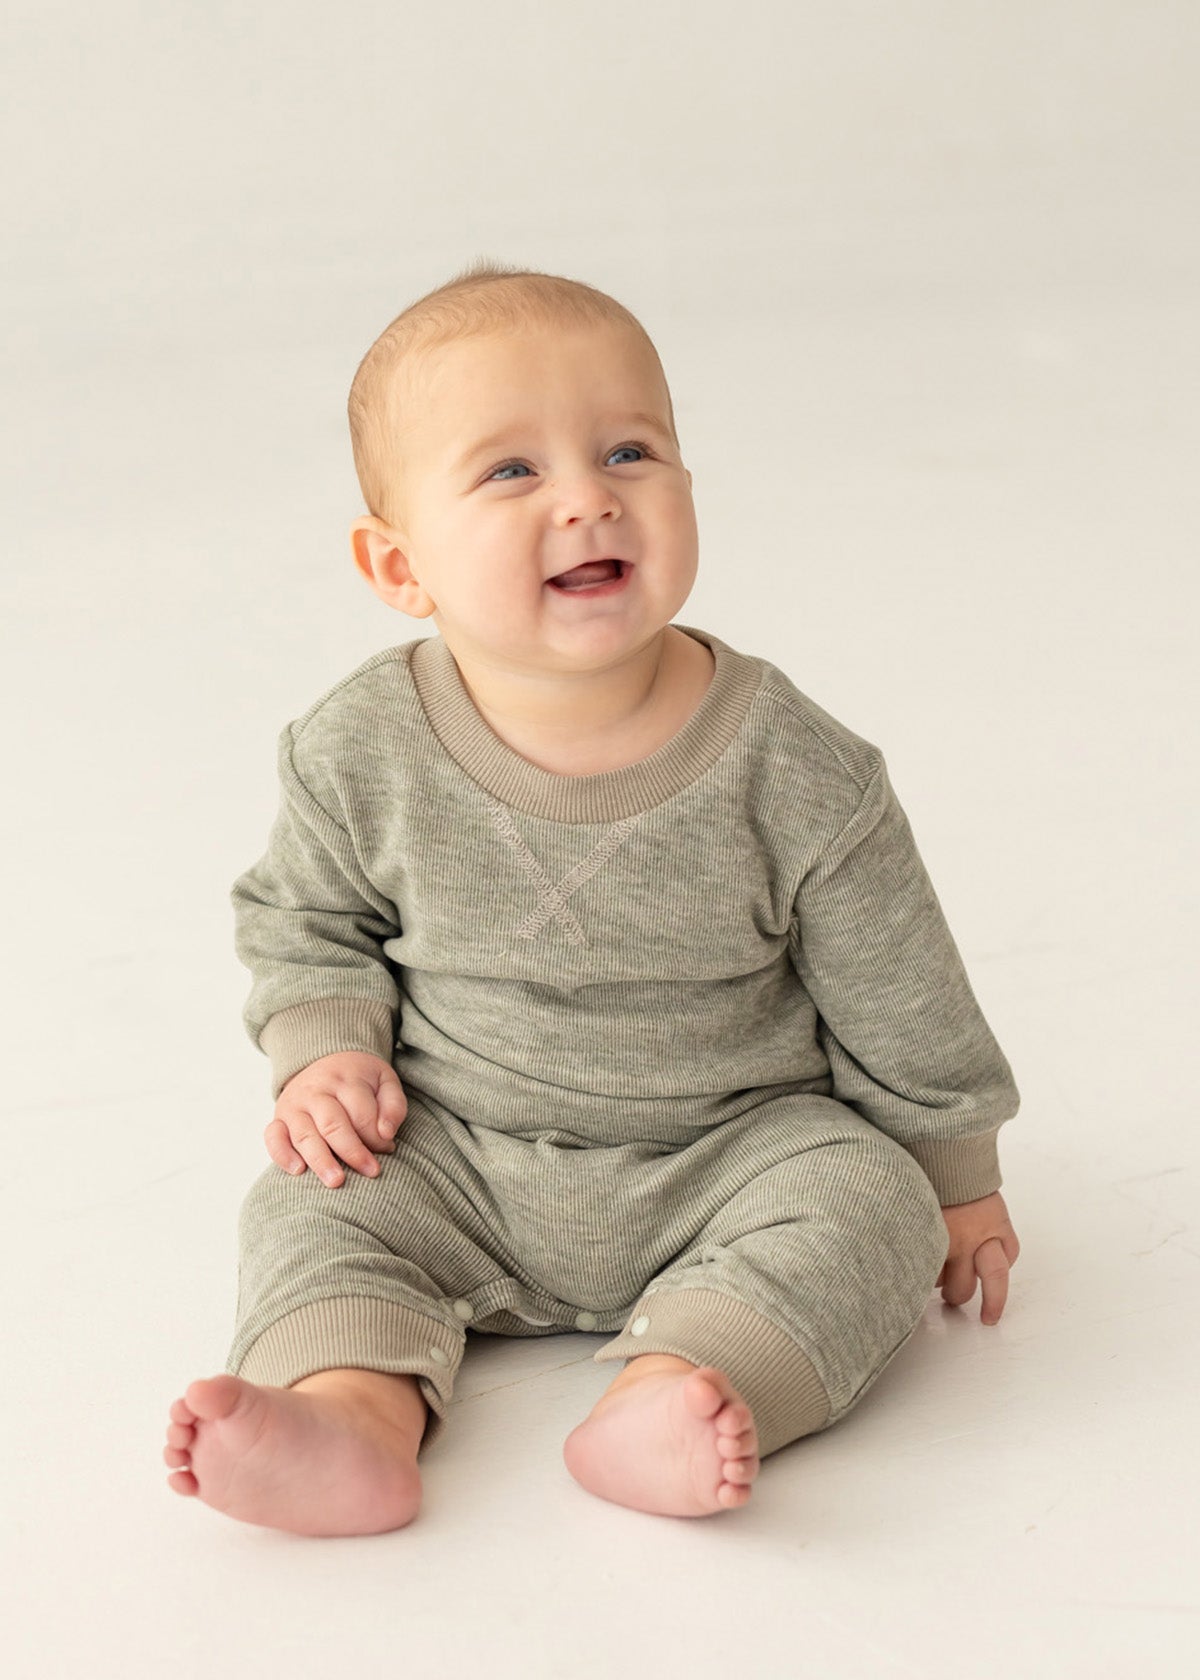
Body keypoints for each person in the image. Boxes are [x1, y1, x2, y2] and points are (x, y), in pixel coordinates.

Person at [161, 260, 1021, 1536]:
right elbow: (305, 920)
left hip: (730, 1154)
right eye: (512, 472)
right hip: (452, 1152)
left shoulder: (792, 762)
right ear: (398, 565)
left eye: (630, 452)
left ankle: (683, 1388)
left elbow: (899, 981)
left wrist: (956, 1167)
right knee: (311, 1201)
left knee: (867, 1201)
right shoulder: (359, 748)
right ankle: (350, 1412)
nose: (586, 500)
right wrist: (323, 1048)